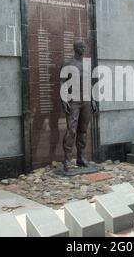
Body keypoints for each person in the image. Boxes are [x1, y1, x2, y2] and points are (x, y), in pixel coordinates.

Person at [60, 40, 97, 172]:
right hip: (73, 100)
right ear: (75, 48)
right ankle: (67, 160)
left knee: (83, 130)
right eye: (80, 47)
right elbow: (62, 82)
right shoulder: (68, 63)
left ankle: (81, 158)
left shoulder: (87, 64)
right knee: (72, 130)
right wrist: (64, 100)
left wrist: (93, 99)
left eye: (84, 47)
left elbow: (90, 83)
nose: (83, 49)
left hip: (86, 99)